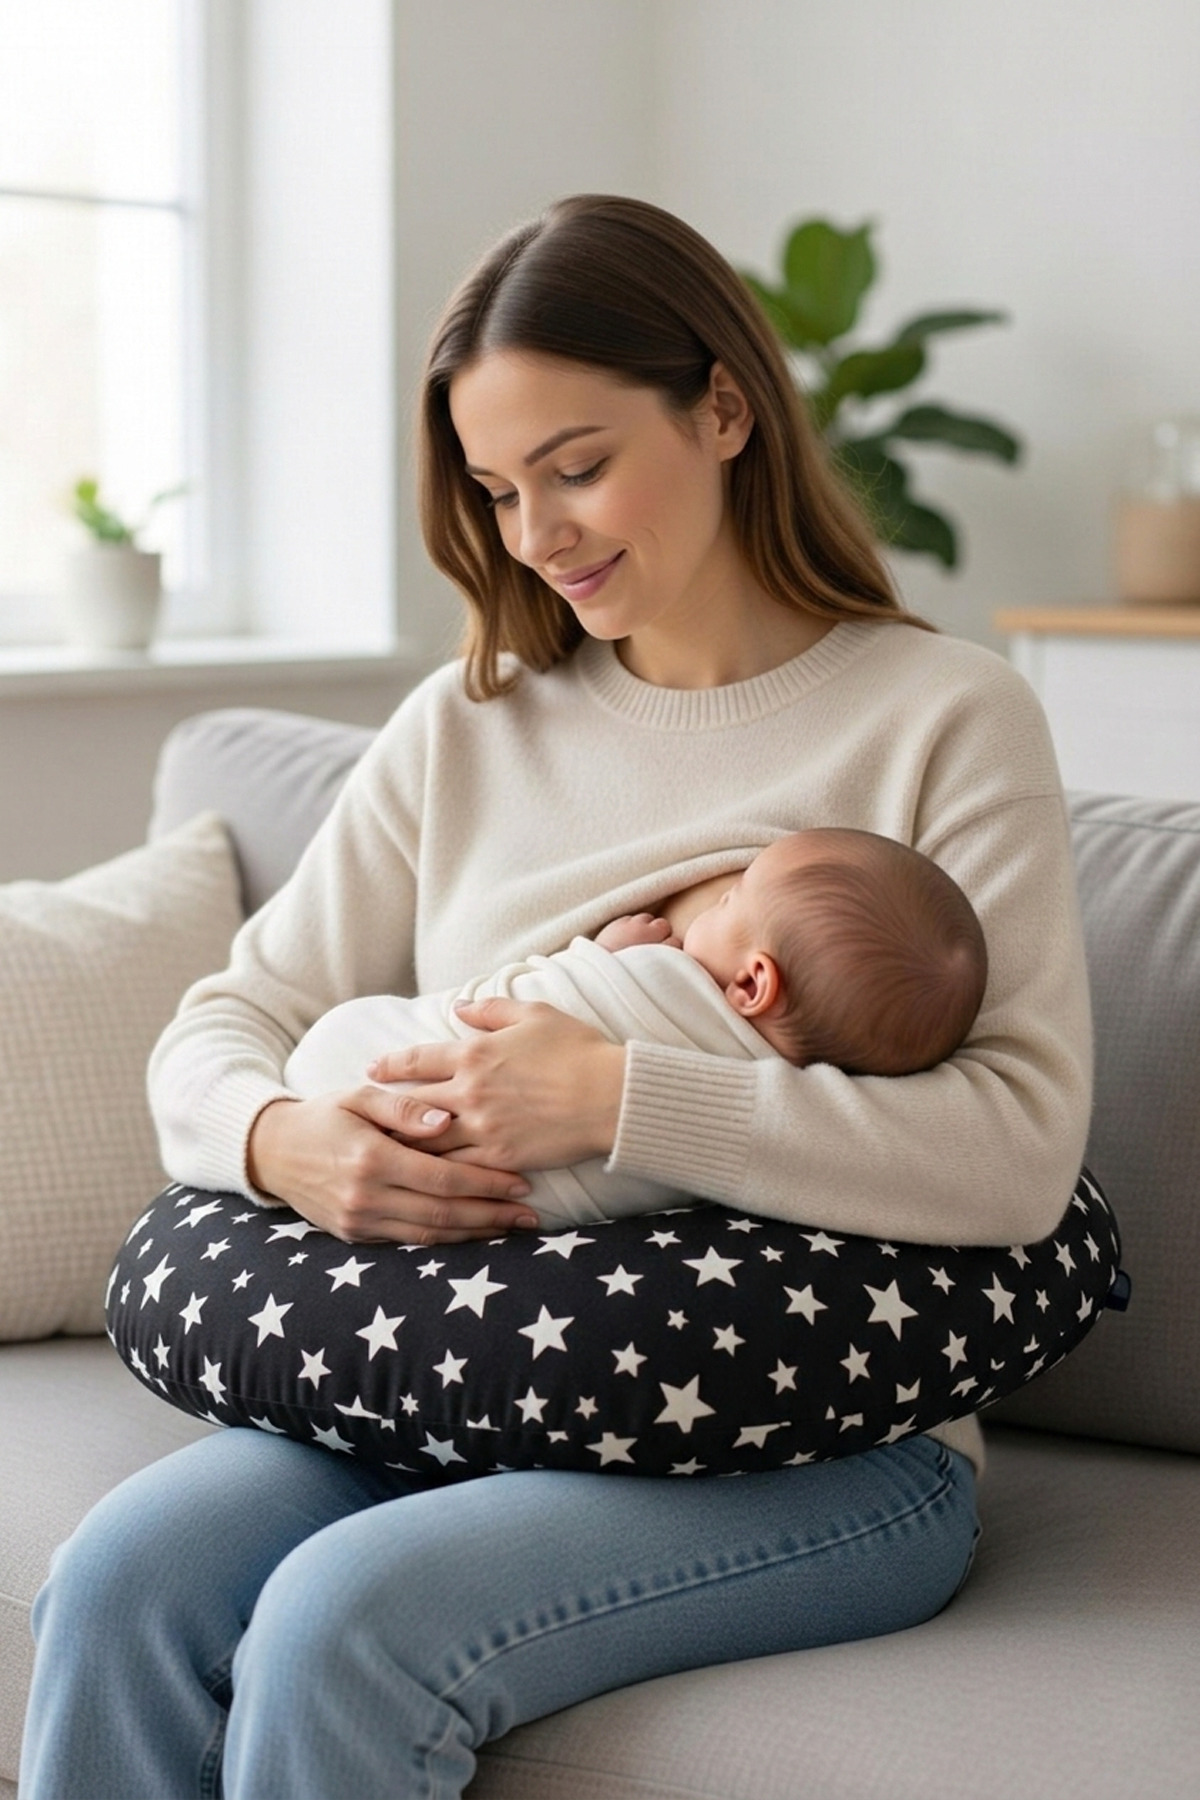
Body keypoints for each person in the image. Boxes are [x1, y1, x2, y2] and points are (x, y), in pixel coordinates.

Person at [19, 194, 1091, 1800]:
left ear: (723, 407)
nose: (537, 534)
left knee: (340, 1624)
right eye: (499, 487)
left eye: (578, 466)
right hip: (459, 1388)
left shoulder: (945, 718)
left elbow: (1013, 1154)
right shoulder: (470, 728)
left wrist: (620, 1100)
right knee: (119, 1583)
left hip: (820, 1451)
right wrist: (286, 1143)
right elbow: (217, 1029)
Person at [284, 827, 989, 1227]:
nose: (700, 918)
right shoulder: (783, 1094)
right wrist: (271, 1142)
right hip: (438, 1215)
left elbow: (517, 1003)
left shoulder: (661, 975)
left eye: (727, 900)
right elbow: (247, 1004)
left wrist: (606, 965)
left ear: (751, 982)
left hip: (363, 1081)